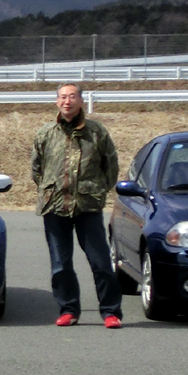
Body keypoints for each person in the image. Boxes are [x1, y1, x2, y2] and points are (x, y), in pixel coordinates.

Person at [31, 83, 123, 328]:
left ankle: (111, 312)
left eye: (72, 97)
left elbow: (111, 168)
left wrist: (96, 191)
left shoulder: (96, 132)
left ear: (81, 101)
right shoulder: (46, 133)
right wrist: (51, 190)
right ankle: (68, 310)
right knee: (60, 265)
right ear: (56, 101)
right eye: (63, 97)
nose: (67, 101)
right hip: (55, 207)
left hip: (87, 207)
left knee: (101, 262)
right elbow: (37, 170)